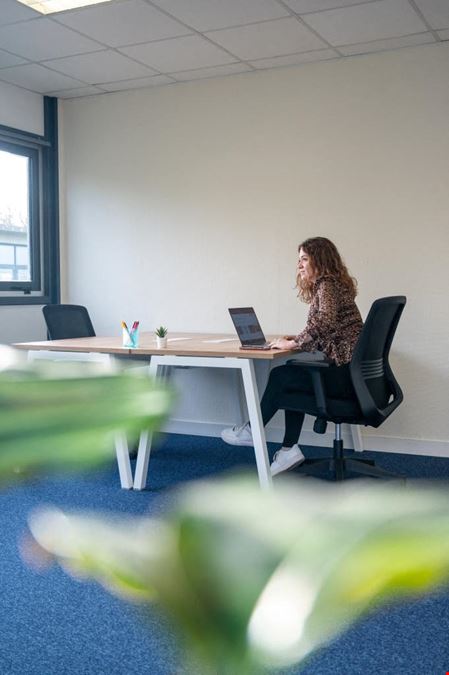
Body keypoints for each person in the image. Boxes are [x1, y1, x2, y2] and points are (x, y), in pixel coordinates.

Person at [221, 236, 363, 476]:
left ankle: (253, 431)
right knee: (289, 375)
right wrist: (294, 339)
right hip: (352, 374)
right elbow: (327, 327)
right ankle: (287, 449)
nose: (299, 265)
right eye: (299, 260)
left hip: (344, 377)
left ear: (320, 260)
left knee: (283, 376)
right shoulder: (334, 285)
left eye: (304, 259)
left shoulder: (327, 284)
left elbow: (325, 322)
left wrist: (296, 341)